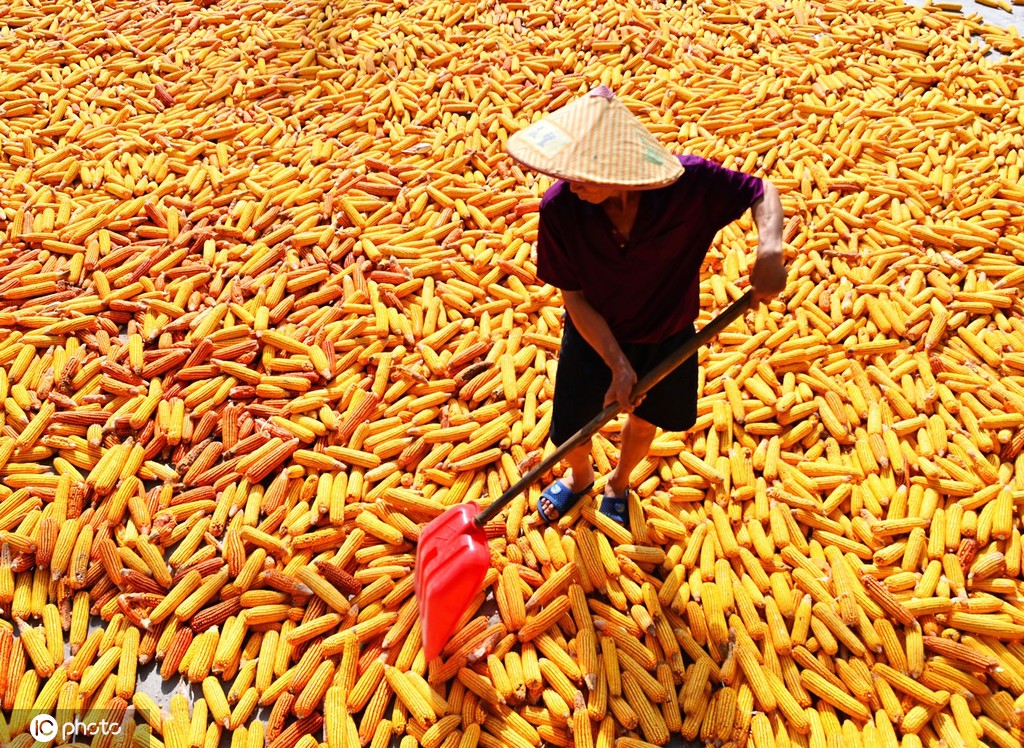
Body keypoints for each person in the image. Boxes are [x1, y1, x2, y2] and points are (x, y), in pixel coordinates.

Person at [506, 84, 787, 528]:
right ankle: (580, 478)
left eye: (583, 173)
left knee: (644, 420)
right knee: (571, 432)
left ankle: (619, 482)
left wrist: (769, 249)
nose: (570, 183)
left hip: (667, 333)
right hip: (594, 335)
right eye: (567, 172)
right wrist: (616, 364)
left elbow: (760, 192)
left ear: (620, 169)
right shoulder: (561, 209)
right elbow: (573, 297)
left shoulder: (688, 186)